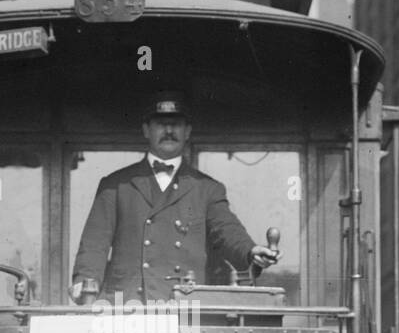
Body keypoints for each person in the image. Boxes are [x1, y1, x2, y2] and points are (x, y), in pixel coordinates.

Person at [69, 92, 281, 303]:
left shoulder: (208, 189)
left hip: (184, 308)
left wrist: (251, 250)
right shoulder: (115, 185)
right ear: (146, 130)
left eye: (176, 124)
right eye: (161, 124)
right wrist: (85, 282)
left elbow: (228, 231)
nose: (169, 131)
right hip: (126, 307)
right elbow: (94, 245)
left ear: (187, 131)